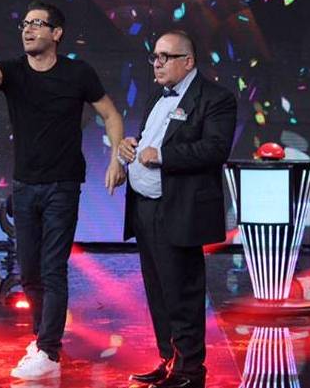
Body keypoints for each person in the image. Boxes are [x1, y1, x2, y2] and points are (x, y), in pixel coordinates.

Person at [0, 0, 126, 380]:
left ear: (56, 33)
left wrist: (117, 159)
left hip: (63, 185)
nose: (28, 30)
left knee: (52, 268)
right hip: (25, 185)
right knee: (29, 272)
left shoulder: (78, 73)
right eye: (25, 24)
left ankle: (49, 350)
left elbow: (111, 114)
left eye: (37, 24)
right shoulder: (14, 71)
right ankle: (42, 340)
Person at [118, 30, 237, 388]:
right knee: (158, 291)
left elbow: (215, 149)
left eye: (165, 57)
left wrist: (163, 155)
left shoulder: (215, 98)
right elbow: (150, 140)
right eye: (154, 56)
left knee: (182, 291)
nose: (157, 63)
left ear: (188, 61)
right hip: (145, 207)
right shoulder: (157, 95)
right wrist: (130, 146)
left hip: (179, 209)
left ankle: (189, 370)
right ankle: (168, 360)